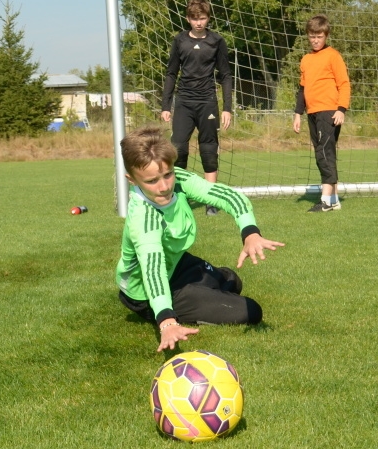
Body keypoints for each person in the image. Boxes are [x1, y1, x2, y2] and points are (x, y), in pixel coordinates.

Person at [116, 127, 284, 352]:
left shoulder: (180, 181)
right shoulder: (143, 219)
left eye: (168, 174)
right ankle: (177, 307)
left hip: (176, 265)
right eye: (152, 181)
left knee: (232, 281)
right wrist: (167, 320)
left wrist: (250, 232)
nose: (164, 186)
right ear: (132, 180)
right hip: (145, 291)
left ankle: (200, 295)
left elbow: (228, 196)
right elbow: (153, 271)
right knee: (251, 311)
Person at [160, 0, 233, 215]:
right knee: (179, 148)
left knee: (208, 149)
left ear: (208, 18)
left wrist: (227, 107)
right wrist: (166, 105)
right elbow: (171, 73)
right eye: (194, 18)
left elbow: (226, 75)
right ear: (188, 19)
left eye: (202, 18)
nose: (199, 22)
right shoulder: (180, 41)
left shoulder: (216, 41)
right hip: (184, 102)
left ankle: (212, 200)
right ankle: (179, 197)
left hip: (207, 101)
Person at [292, 14, 350, 212]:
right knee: (324, 152)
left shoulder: (333, 56)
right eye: (312, 36)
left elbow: (344, 83)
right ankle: (333, 199)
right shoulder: (306, 59)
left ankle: (326, 201)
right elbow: (302, 89)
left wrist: (341, 109)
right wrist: (298, 114)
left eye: (319, 36)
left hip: (329, 111)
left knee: (323, 153)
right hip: (312, 112)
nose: (315, 40)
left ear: (326, 35)